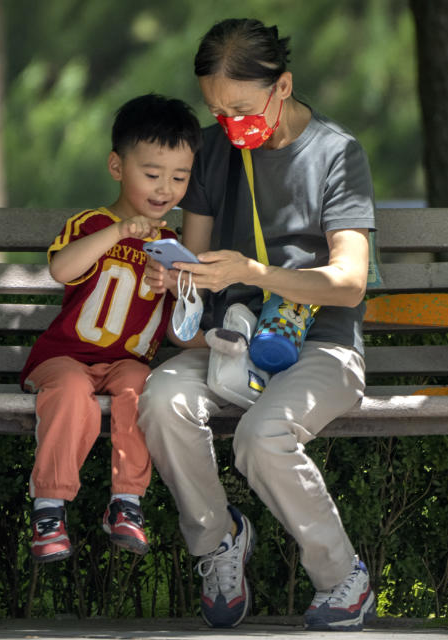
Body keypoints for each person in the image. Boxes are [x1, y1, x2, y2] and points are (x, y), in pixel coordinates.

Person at [140, 18, 377, 631]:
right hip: (231, 343)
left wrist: (255, 272)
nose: (228, 124)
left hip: (322, 345)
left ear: (284, 85)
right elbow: (193, 263)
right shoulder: (213, 149)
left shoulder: (335, 153)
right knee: (162, 397)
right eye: (217, 111)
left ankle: (341, 576)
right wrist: (179, 284)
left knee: (261, 436)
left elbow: (350, 279)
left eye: (241, 109)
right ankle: (218, 542)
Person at [21, 93, 203, 563]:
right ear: (117, 166)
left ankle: (127, 503)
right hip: (66, 357)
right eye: (152, 174)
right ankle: (49, 506)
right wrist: (120, 233)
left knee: (142, 390)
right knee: (69, 389)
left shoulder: (171, 245)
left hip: (126, 364)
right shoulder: (93, 225)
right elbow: (63, 269)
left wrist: (173, 285)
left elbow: (184, 325)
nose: (166, 188)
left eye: (179, 177)